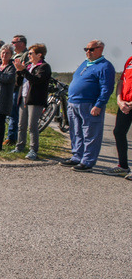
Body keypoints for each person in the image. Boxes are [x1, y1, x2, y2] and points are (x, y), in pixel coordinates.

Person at [62, 40, 116, 172]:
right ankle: (77, 156)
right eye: (86, 49)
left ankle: (88, 161)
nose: (88, 52)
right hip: (74, 103)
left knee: (90, 133)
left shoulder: (105, 66)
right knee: (76, 132)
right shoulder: (85, 64)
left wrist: (99, 104)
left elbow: (106, 88)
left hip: (90, 104)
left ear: (100, 49)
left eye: (91, 49)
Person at [14, 43, 51, 160]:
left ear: (39, 55)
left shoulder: (44, 67)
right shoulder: (29, 66)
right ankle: (19, 147)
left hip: (35, 99)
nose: (28, 55)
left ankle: (33, 150)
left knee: (32, 125)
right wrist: (19, 71)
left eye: (31, 53)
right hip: (24, 97)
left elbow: (36, 80)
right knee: (21, 124)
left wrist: (24, 71)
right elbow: (19, 83)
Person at [105, 39, 132, 179]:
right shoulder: (129, 61)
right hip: (124, 104)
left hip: (130, 103)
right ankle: (123, 166)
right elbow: (121, 82)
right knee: (118, 132)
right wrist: (120, 101)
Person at [8, 34, 30, 148]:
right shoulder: (15, 54)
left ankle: (12, 138)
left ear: (22, 43)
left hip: (19, 87)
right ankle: (11, 136)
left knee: (15, 113)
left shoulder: (26, 55)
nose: (12, 44)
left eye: (14, 42)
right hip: (12, 86)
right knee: (11, 112)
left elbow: (25, 69)